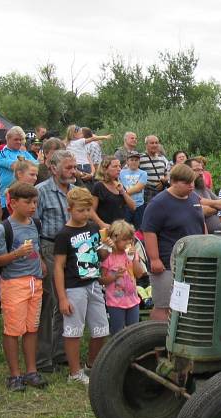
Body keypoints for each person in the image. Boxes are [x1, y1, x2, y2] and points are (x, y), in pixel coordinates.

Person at [0, 182, 47, 392]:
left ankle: (31, 370)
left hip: (35, 282)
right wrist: (16, 255)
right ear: (13, 203)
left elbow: (37, 248)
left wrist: (40, 262)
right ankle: (14, 374)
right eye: (28, 202)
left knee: (32, 328)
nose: (32, 206)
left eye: (35, 202)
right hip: (14, 283)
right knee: (13, 330)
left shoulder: (35, 223)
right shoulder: (3, 228)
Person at [53, 187, 112, 384]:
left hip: (94, 283)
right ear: (69, 209)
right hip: (74, 287)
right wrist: (62, 297)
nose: (86, 214)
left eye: (88, 210)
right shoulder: (64, 234)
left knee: (101, 328)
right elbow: (59, 267)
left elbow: (99, 255)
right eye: (81, 210)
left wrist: (107, 247)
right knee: (74, 330)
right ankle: (74, 372)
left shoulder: (93, 228)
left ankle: (91, 364)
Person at [141, 163, 205, 321]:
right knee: (164, 306)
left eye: (192, 182)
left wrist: (206, 242)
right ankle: (157, 342)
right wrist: (154, 259)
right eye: (187, 183)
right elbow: (149, 232)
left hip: (192, 262)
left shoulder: (194, 198)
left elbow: (200, 221)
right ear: (174, 182)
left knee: (186, 305)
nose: (191, 186)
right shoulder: (158, 204)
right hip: (167, 264)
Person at [35, 150, 77, 372]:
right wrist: (40, 256)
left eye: (74, 166)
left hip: (72, 249)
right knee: (50, 301)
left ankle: (61, 351)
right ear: (53, 168)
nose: (73, 171)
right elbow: (33, 225)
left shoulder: (77, 192)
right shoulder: (41, 192)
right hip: (50, 247)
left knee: (68, 300)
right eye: (68, 167)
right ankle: (43, 357)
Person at [100, 220, 145, 334]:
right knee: (118, 333)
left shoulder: (132, 254)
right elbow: (101, 280)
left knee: (134, 332)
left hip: (133, 300)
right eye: (124, 239)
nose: (128, 242)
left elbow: (139, 274)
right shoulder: (108, 257)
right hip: (115, 302)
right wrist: (114, 276)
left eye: (130, 238)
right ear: (114, 240)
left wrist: (133, 259)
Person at [0, 127, 38, 220]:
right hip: (9, 194)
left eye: (21, 140)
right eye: (16, 139)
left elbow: (37, 165)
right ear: (8, 139)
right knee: (9, 224)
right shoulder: (2, 154)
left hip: (25, 194)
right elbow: (15, 166)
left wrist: (26, 163)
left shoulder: (24, 153)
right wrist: (27, 163)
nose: (19, 142)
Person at [91, 156, 136, 228]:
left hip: (120, 228)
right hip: (107, 228)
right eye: (115, 166)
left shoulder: (119, 184)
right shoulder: (98, 186)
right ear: (105, 169)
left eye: (119, 166)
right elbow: (91, 211)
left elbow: (133, 207)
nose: (119, 169)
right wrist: (101, 224)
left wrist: (123, 192)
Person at [187, 158, 221, 233]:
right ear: (187, 171)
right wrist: (216, 207)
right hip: (200, 238)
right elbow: (202, 211)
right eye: (197, 170)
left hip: (216, 236)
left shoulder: (204, 189)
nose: (201, 173)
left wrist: (205, 202)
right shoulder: (187, 190)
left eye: (202, 170)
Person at [138, 135, 171, 204]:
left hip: (161, 192)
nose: (155, 145)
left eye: (156, 143)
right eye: (152, 143)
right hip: (146, 194)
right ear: (146, 145)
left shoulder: (162, 158)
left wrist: (164, 181)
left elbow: (167, 173)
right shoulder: (139, 158)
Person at [119, 152, 148, 226]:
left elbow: (138, 188)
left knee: (139, 229)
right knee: (125, 229)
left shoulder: (143, 173)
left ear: (139, 162)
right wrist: (123, 191)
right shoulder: (121, 173)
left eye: (136, 160)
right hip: (125, 206)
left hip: (139, 206)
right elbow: (119, 186)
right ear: (127, 161)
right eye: (132, 160)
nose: (134, 162)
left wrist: (123, 192)